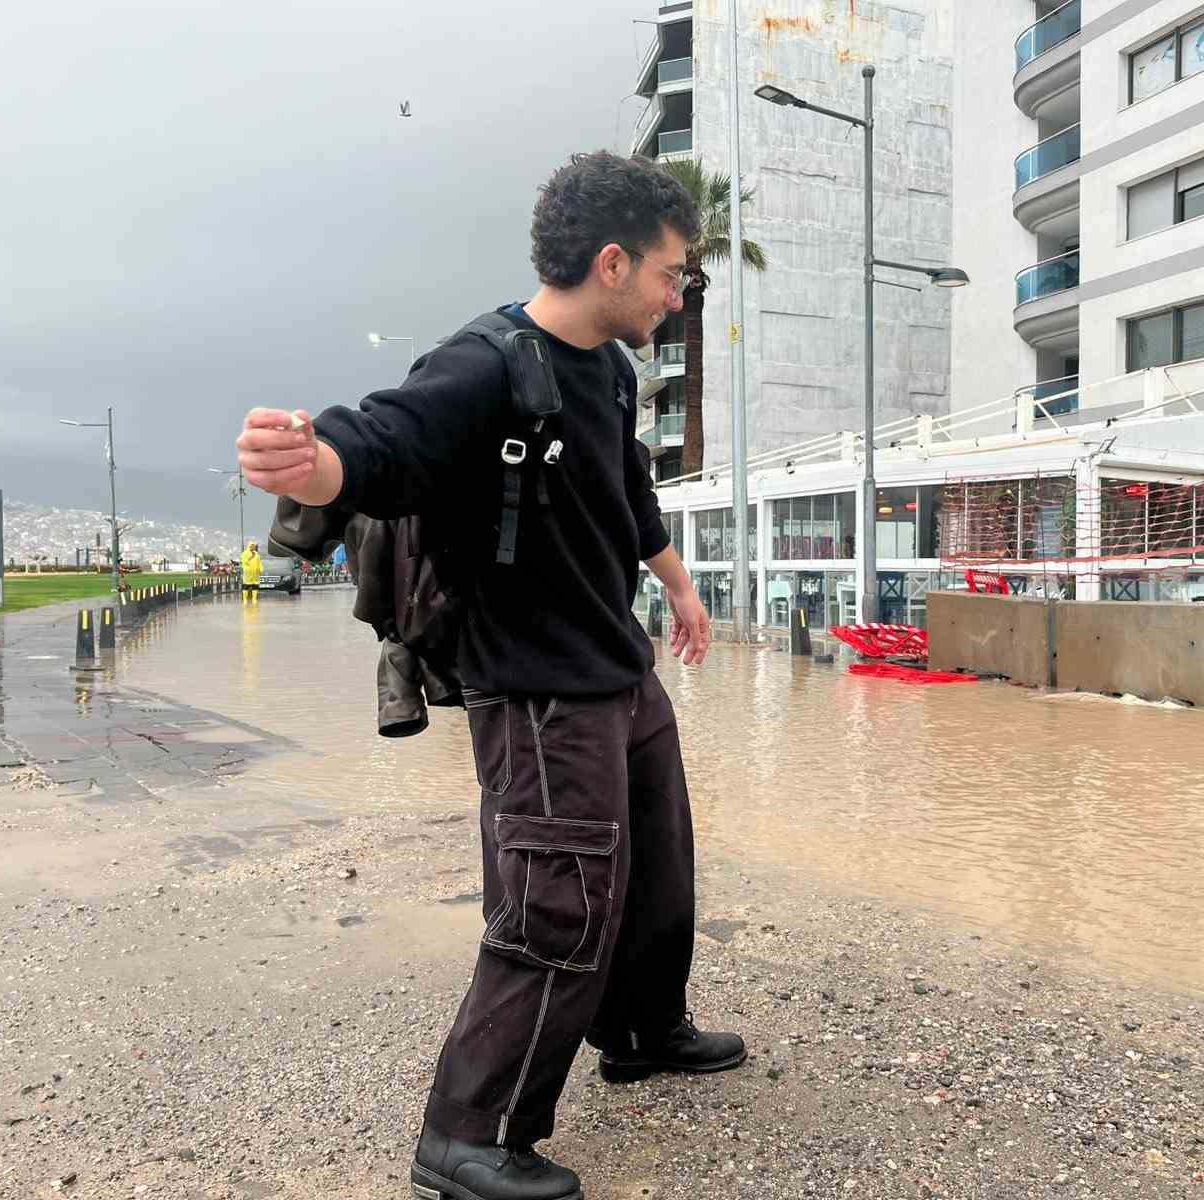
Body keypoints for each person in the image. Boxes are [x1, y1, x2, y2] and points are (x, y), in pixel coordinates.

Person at [236, 150, 744, 1200]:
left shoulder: (604, 368)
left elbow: (629, 495)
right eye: (670, 271)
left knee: (655, 868)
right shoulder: (479, 367)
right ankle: (469, 1135)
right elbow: (379, 444)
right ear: (612, 262)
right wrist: (307, 459)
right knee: (553, 904)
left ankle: (640, 1028)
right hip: (535, 688)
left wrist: (678, 587)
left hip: (616, 665)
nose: (677, 289)